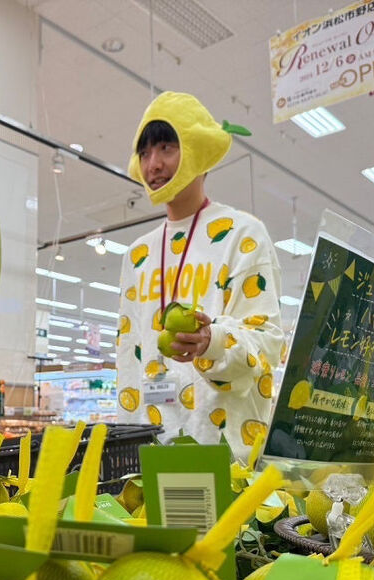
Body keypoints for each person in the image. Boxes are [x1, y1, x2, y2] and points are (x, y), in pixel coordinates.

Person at [116, 91, 284, 462]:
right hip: (152, 450)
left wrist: (213, 340)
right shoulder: (138, 255)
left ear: (195, 150)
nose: (153, 165)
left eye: (165, 148)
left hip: (225, 449)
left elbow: (268, 342)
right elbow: (129, 355)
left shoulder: (242, 235)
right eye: (144, 153)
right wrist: (128, 443)